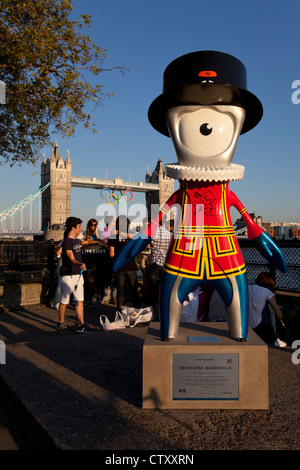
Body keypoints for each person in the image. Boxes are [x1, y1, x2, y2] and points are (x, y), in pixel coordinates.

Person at [57, 216, 91, 333]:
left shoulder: (77, 240)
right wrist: (80, 263)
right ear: (73, 228)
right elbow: (71, 258)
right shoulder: (67, 242)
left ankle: (81, 323)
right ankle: (61, 323)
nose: (81, 228)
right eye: (79, 226)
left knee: (79, 299)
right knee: (64, 300)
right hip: (68, 275)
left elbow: (84, 243)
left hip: (78, 275)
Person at [108, 216, 140, 311]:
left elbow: (111, 254)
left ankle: (120, 313)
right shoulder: (132, 234)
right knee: (134, 291)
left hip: (119, 267)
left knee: (120, 292)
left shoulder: (113, 235)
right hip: (131, 265)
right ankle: (137, 311)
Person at [248, 272, 287, 347]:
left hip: (244, 326)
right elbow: (279, 315)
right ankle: (274, 339)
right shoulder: (267, 292)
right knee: (268, 308)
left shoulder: (247, 287)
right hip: (257, 328)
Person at [147, 219, 173, 320]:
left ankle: (154, 314)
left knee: (152, 291)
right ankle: (164, 315)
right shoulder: (169, 235)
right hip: (166, 265)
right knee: (164, 290)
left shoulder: (152, 233)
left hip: (155, 264)